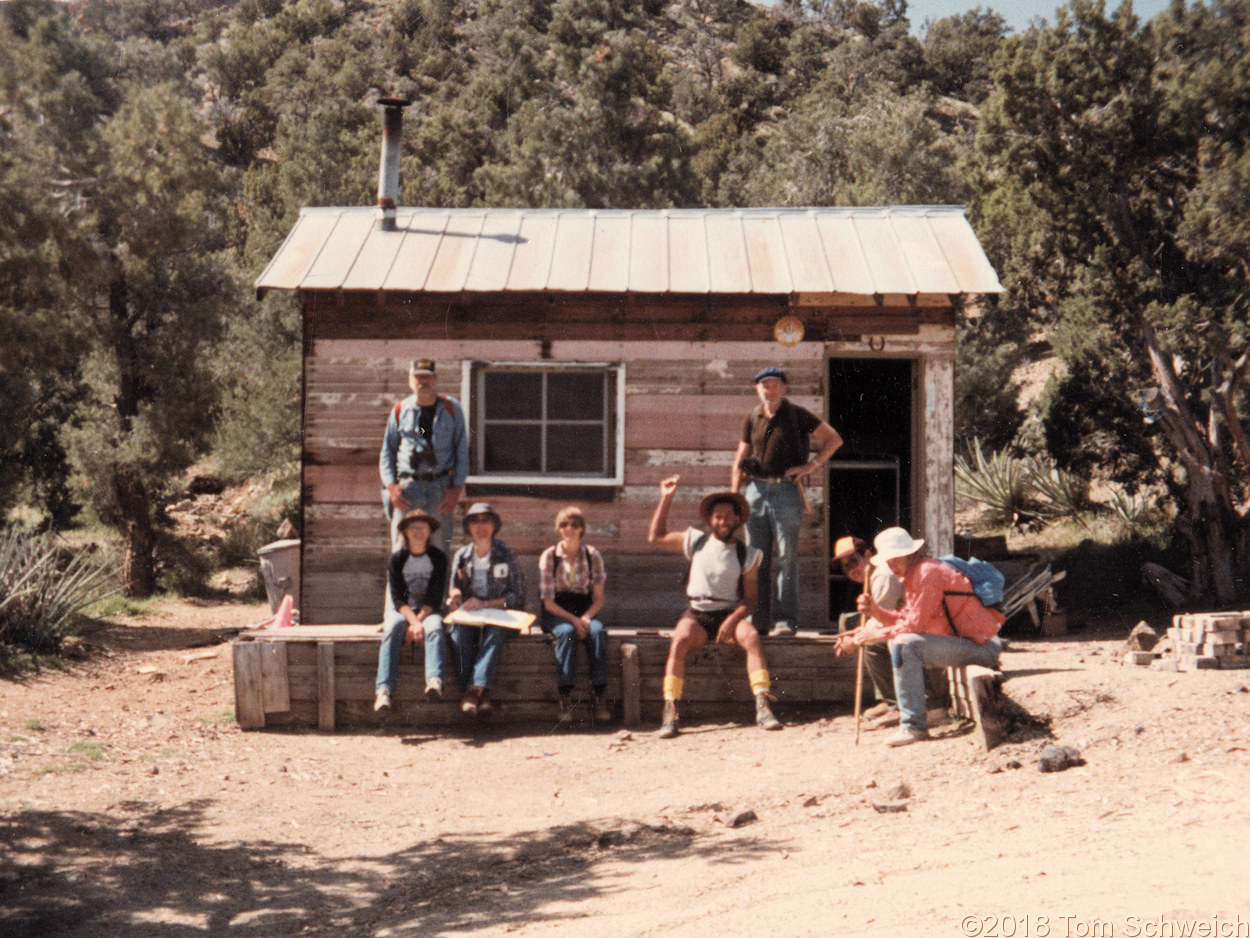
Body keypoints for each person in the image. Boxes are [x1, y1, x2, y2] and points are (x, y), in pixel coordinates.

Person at [647, 475, 782, 738]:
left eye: (729, 516)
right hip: (698, 614)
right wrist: (666, 497)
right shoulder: (696, 541)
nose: (724, 521)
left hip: (729, 614)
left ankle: (763, 705)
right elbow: (656, 536)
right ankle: (670, 711)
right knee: (679, 641)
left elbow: (751, 600)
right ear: (710, 520)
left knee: (752, 637)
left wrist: (732, 621)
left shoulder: (748, 553)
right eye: (718, 516)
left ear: (737, 520)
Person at [851, 527, 1004, 747]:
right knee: (901, 641)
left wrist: (876, 633)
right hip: (969, 644)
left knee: (904, 644)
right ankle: (918, 719)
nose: (892, 566)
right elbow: (906, 618)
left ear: (909, 554)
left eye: (896, 559)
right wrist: (876, 612)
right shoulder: (916, 574)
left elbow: (915, 626)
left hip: (982, 647)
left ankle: (913, 726)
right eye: (888, 561)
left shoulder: (927, 574)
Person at [731, 366, 842, 636]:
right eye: (764, 385)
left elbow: (834, 439)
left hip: (786, 492)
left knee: (787, 557)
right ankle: (757, 621)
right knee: (757, 559)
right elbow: (740, 455)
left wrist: (810, 466)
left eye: (774, 385)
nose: (769, 390)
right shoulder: (752, 417)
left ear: (784, 388)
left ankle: (785, 621)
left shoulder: (797, 415)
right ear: (758, 389)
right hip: (755, 491)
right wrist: (734, 495)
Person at [831, 535, 949, 731]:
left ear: (868, 555)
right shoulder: (875, 576)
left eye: (854, 561)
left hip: (934, 633)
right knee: (874, 640)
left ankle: (927, 705)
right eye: (845, 567)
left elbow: (880, 624)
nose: (851, 569)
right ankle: (893, 701)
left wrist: (853, 641)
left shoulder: (883, 575)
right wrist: (854, 635)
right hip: (922, 629)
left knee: (881, 641)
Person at [379, 358, 469, 556]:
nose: (423, 382)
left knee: (439, 550)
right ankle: (398, 588)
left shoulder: (451, 409)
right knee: (400, 551)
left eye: (427, 377)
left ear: (435, 379)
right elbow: (387, 452)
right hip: (408, 490)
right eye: (418, 377)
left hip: (441, 490)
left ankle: (438, 589)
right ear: (410, 380)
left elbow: (462, 450)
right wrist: (391, 487)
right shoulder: (399, 410)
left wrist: (456, 488)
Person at [447, 502, 526, 718]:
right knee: (457, 632)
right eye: (475, 521)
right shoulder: (462, 555)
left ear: (494, 526)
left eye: (486, 521)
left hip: (500, 615)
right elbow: (454, 587)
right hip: (471, 616)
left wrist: (486, 605)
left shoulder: (505, 553)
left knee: (495, 631)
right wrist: (455, 597)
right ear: (468, 527)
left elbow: (518, 596)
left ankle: (472, 693)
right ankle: (483, 695)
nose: (481, 526)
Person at [539, 506, 611, 723]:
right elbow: (548, 602)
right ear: (559, 529)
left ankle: (599, 695)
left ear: (582, 528)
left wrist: (587, 618)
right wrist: (573, 620)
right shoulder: (550, 556)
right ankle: (565, 696)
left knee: (598, 632)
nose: (570, 529)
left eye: (575, 524)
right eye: (564, 524)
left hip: (584, 609)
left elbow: (598, 598)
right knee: (566, 633)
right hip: (557, 612)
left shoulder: (592, 555)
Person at [374, 510, 449, 712]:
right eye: (413, 527)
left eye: (422, 527)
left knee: (435, 627)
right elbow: (397, 598)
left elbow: (435, 595)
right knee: (393, 626)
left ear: (429, 532)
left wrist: (419, 621)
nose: (418, 532)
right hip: (404, 611)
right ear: (405, 532)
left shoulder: (438, 558)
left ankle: (434, 681)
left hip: (428, 610)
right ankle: (383, 691)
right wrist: (413, 622)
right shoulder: (397, 560)